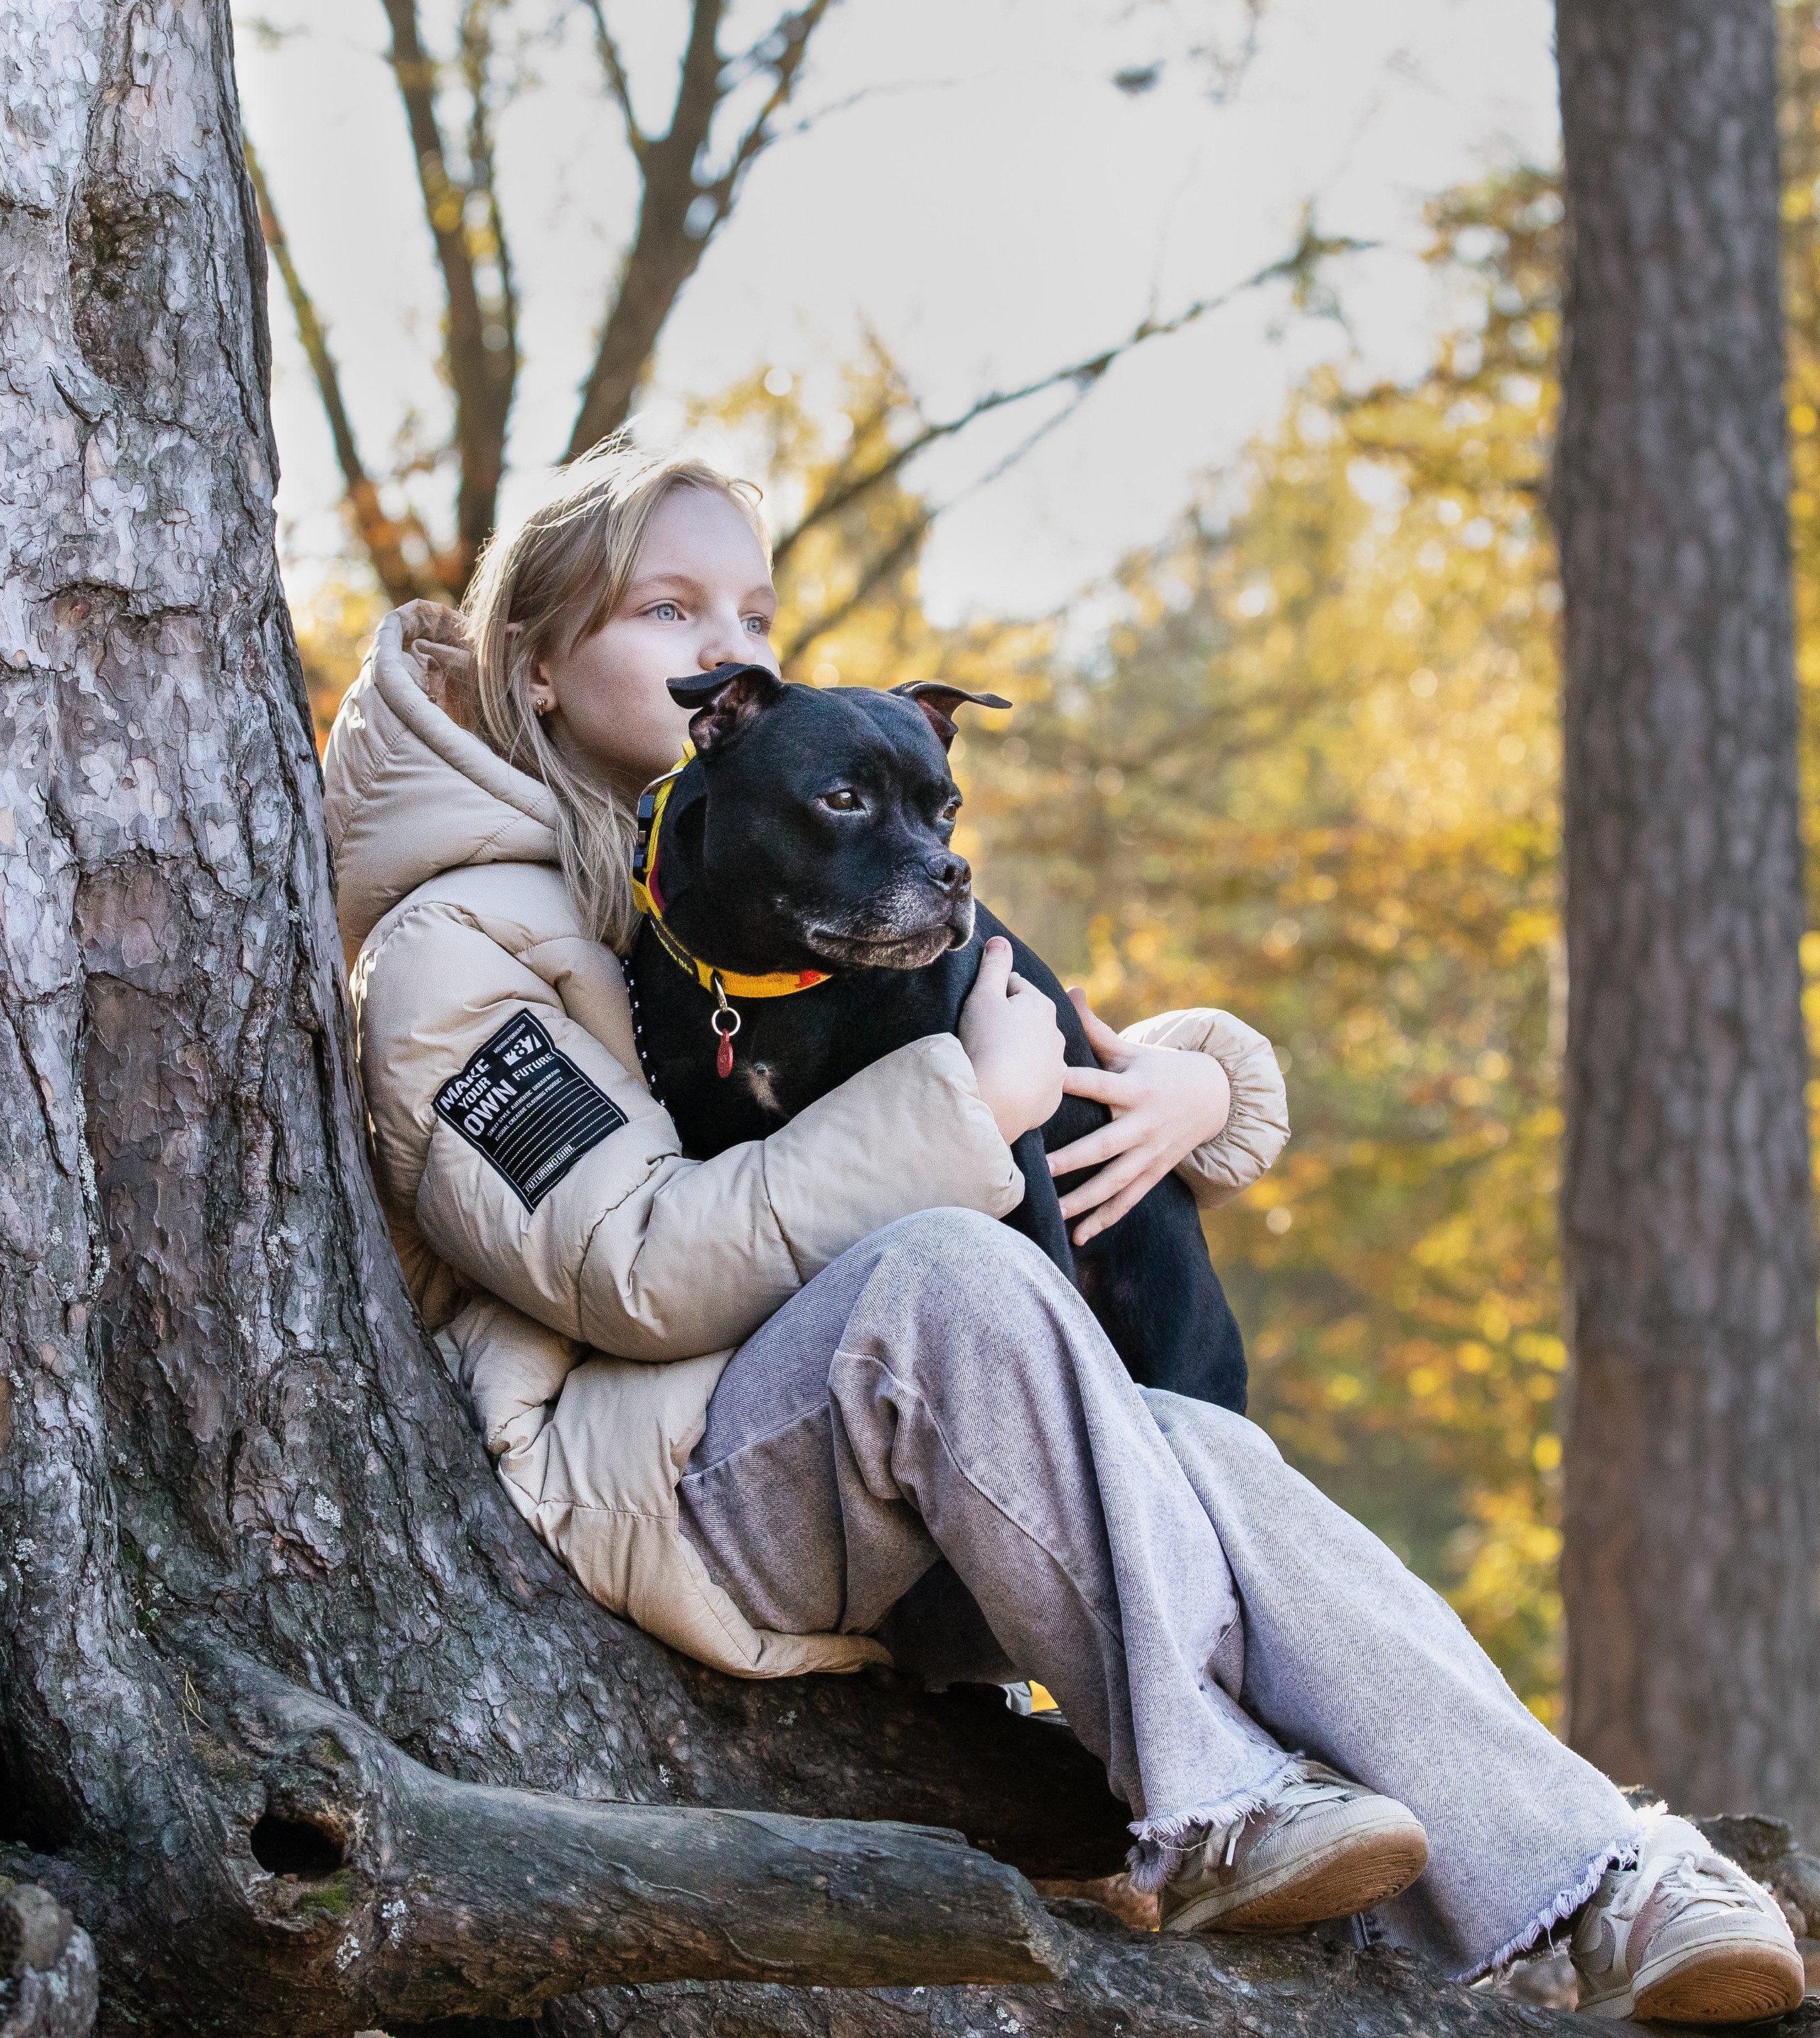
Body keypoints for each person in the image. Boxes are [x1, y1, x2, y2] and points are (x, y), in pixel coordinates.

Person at [321, 446, 1805, 2025]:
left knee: (1193, 1441)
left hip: (875, 1457)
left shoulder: (704, 864)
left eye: (752, 607)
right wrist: (969, 1106)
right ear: (534, 660)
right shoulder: (454, 944)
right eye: (668, 606)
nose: (732, 648)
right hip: (655, 1489)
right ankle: (1212, 1798)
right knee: (953, 1272)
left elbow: (974, 1026)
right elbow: (629, 1264)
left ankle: (1604, 1876)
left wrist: (1195, 1079)